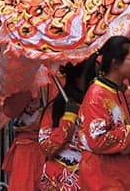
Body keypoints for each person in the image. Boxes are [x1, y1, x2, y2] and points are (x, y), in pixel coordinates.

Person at [77, 36, 130, 190]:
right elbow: (98, 140)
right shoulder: (97, 94)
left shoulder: (125, 92)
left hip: (125, 166)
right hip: (103, 171)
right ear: (115, 63)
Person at [38, 61, 91, 190]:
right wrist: (68, 119)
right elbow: (47, 147)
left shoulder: (96, 103)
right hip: (60, 179)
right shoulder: (55, 107)